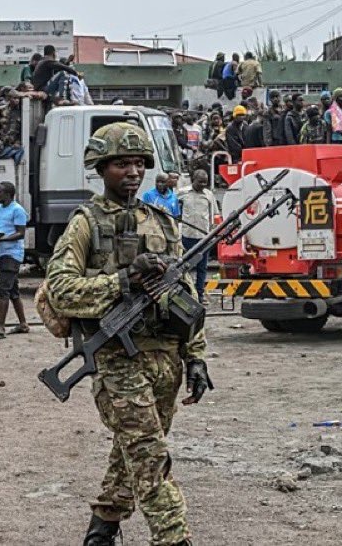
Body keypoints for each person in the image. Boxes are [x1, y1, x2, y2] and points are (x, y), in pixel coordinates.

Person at [43, 123, 209, 546]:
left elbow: (186, 294)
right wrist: (122, 281)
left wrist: (196, 357)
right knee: (150, 456)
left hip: (165, 358)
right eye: (121, 164)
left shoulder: (161, 221)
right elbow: (60, 289)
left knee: (133, 449)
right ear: (101, 168)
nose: (132, 172)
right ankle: (173, 538)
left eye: (138, 163)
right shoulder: (86, 223)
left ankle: (103, 528)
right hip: (116, 357)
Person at [0, 181, 29, 340]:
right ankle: (23, 324)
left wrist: (3, 240)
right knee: (13, 291)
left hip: (12, 254)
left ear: (8, 195)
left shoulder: (18, 210)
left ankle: (1, 327)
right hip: (0, 253)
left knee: (3, 289)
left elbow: (21, 233)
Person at [178, 169, 218, 304]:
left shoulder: (209, 195)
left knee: (202, 267)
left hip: (203, 236)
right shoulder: (182, 193)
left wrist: (212, 233)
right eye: (200, 182)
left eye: (205, 183)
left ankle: (200, 295)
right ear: (193, 180)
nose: (202, 185)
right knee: (185, 267)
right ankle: (186, 294)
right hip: (187, 235)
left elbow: (214, 216)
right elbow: (175, 211)